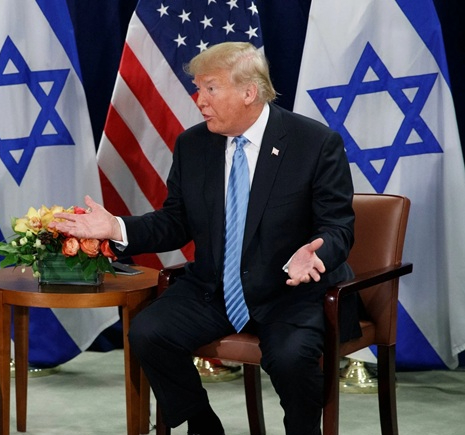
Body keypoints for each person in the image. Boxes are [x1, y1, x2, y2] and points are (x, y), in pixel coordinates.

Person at [50, 42, 360, 435]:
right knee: (148, 333)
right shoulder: (193, 145)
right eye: (198, 89)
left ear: (249, 92)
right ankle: (202, 425)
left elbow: (338, 227)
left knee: (291, 358)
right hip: (215, 289)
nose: (200, 101)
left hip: (290, 292)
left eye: (210, 89)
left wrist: (317, 254)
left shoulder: (313, 143)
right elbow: (175, 222)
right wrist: (117, 228)